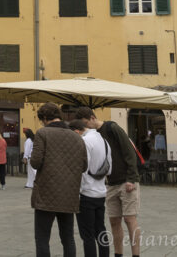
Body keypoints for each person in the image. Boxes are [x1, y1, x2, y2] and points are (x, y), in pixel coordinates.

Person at [78, 107, 140, 257]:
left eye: (87, 123)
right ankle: (118, 254)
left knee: (129, 219)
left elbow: (129, 152)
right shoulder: (94, 135)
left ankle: (136, 255)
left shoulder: (112, 127)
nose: (86, 127)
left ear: (92, 118)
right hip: (110, 183)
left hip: (127, 181)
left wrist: (131, 178)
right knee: (113, 221)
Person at [31, 103, 87, 257]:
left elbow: (35, 162)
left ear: (44, 118)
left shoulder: (43, 133)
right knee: (68, 238)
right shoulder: (77, 137)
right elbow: (84, 166)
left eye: (41, 120)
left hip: (46, 194)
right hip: (69, 194)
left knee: (42, 238)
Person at [73, 118, 112, 257]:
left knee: (87, 235)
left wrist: (77, 192)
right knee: (101, 230)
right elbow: (109, 169)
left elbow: (82, 170)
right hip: (101, 192)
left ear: (77, 131)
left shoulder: (84, 141)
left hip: (86, 193)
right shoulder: (105, 141)